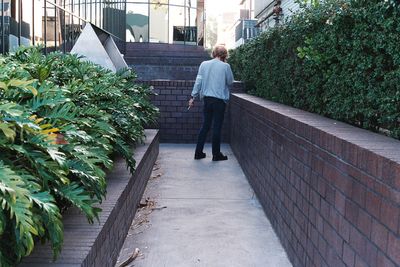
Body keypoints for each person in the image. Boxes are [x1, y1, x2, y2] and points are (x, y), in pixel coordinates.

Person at [188, 45, 234, 161]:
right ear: (224, 55)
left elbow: (198, 82)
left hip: (207, 100)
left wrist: (193, 97)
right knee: (216, 127)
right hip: (219, 101)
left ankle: (198, 153)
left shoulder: (204, 64)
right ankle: (216, 154)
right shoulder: (225, 66)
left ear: (214, 53)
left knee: (205, 126)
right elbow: (230, 82)